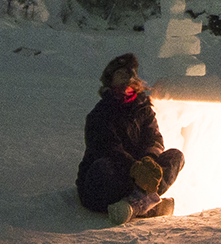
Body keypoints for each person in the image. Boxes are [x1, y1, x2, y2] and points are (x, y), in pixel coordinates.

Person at [76, 52, 185, 223]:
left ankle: (133, 205)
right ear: (110, 81)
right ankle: (148, 205)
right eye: (121, 74)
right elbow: (108, 148)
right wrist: (136, 169)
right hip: (114, 174)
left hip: (140, 174)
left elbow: (154, 138)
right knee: (101, 169)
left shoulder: (143, 108)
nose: (127, 78)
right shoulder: (100, 114)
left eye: (130, 73)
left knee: (175, 157)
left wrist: (149, 161)